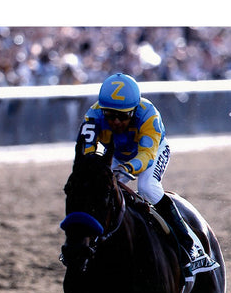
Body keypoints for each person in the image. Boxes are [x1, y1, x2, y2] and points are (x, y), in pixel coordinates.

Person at [75, 72, 218, 279]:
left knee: (147, 187)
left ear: (133, 111)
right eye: (110, 115)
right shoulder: (93, 115)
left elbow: (147, 155)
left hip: (151, 152)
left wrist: (127, 169)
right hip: (116, 154)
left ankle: (189, 243)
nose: (115, 121)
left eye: (122, 116)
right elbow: (88, 151)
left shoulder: (149, 115)